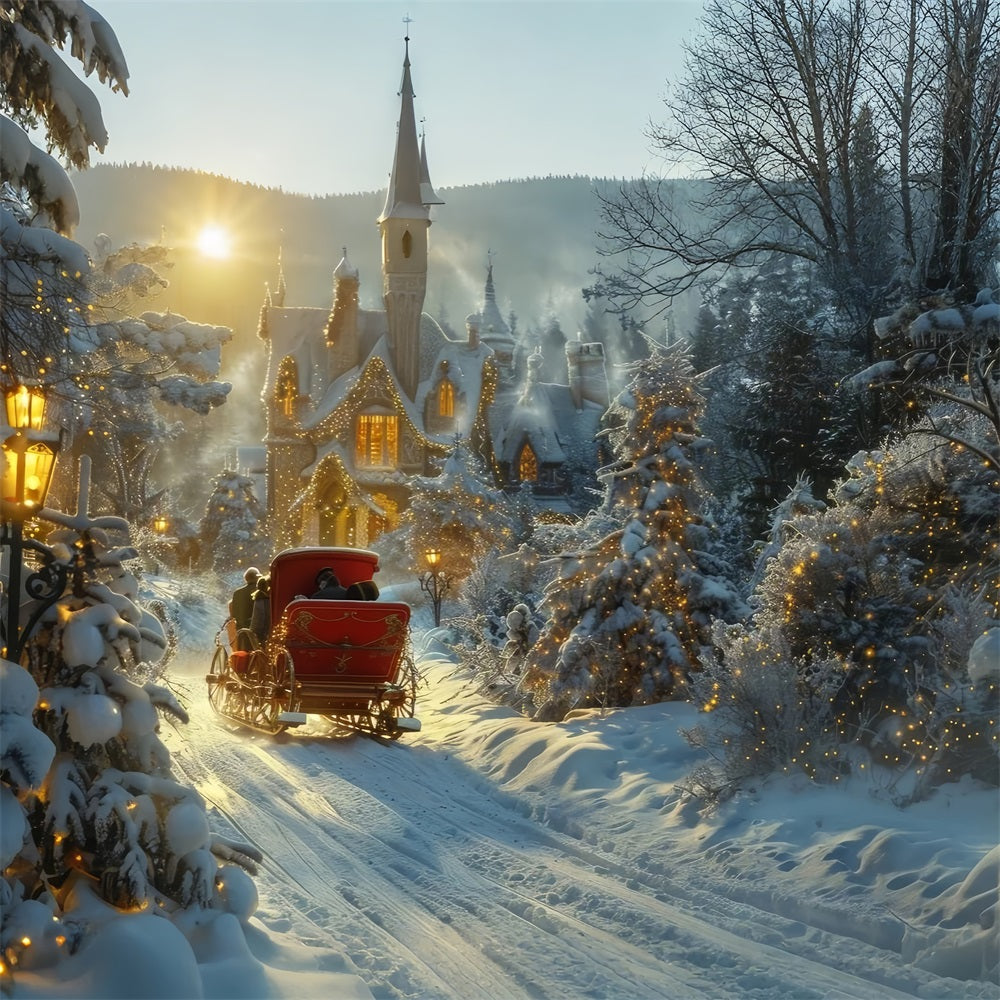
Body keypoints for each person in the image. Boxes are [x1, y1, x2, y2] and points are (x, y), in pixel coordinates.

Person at [250, 574, 271, 642]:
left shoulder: (260, 599)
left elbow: (257, 620)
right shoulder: (269, 599)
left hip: (264, 636)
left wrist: (253, 634)